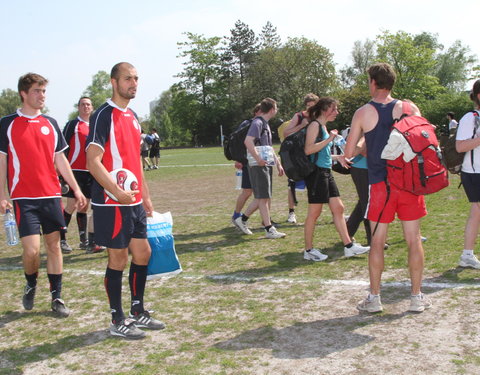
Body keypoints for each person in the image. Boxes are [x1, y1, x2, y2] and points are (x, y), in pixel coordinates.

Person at [345, 62, 432, 313]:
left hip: (380, 183)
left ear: (373, 82)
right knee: (414, 240)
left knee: (377, 240)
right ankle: (416, 297)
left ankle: (374, 298)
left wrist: (366, 142)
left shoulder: (363, 112)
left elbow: (350, 152)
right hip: (409, 183)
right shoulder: (410, 107)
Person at [86, 62, 165, 339]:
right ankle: (116, 319)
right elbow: (92, 161)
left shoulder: (133, 117)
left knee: (143, 253)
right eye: (128, 79)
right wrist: (116, 192)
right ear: (113, 82)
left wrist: (145, 195)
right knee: (118, 258)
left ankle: (137, 311)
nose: (133, 83)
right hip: (111, 202)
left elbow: (136, 162)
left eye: (136, 78)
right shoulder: (102, 115)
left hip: (133, 202)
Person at [0, 73, 87, 317]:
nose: (42, 96)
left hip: (51, 196)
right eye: (37, 91)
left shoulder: (50, 123)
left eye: (44, 91)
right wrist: (2, 194)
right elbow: (2, 160)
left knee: (54, 246)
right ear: (24, 94)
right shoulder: (7, 123)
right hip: (23, 198)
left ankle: (57, 297)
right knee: (31, 251)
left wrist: (76, 188)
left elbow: (61, 159)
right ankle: (30, 283)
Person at [302, 97, 369, 262]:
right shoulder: (314, 125)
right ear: (326, 109)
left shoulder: (323, 126)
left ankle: (349, 246)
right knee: (314, 213)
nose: (337, 112)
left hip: (325, 171)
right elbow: (308, 150)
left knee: (338, 208)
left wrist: (337, 157)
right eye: (334, 109)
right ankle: (308, 250)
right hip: (317, 174)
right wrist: (330, 139)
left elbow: (321, 153)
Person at [235, 98, 286, 239]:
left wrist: (278, 163)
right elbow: (248, 141)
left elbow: (268, 147)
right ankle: (269, 228)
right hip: (259, 165)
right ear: (271, 110)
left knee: (263, 197)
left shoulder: (264, 124)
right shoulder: (257, 122)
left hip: (265, 163)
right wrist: (258, 159)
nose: (277, 111)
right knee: (263, 197)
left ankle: (243, 219)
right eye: (276, 108)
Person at [60, 97, 105, 254]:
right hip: (74, 172)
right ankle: (62, 239)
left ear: (92, 107)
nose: (86, 107)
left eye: (88, 104)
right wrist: (61, 174)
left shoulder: (94, 126)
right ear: (78, 107)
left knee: (84, 206)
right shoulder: (73, 125)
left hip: (90, 172)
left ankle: (84, 240)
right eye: (83, 104)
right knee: (71, 205)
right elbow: (62, 149)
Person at [283, 93, 319, 224]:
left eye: (313, 106)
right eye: (308, 106)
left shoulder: (319, 117)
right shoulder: (299, 116)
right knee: (292, 186)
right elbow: (286, 133)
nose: (310, 108)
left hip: (313, 156)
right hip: (297, 157)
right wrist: (301, 126)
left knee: (316, 184)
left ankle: (317, 213)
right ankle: (291, 213)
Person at [456, 80, 480, 269]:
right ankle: (467, 255)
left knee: (476, 213)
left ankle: (467, 254)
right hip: (474, 173)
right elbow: (460, 146)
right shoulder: (470, 118)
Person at [231, 104, 261, 226]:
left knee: (260, 193)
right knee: (248, 192)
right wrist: (238, 159)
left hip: (257, 162)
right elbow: (237, 142)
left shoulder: (261, 124)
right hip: (248, 162)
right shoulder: (248, 124)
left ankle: (266, 221)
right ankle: (236, 215)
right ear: (256, 112)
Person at [345, 137, 372, 246]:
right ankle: (372, 239)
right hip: (361, 169)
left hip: (370, 169)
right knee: (367, 204)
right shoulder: (364, 132)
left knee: (363, 203)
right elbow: (357, 150)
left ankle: (348, 232)